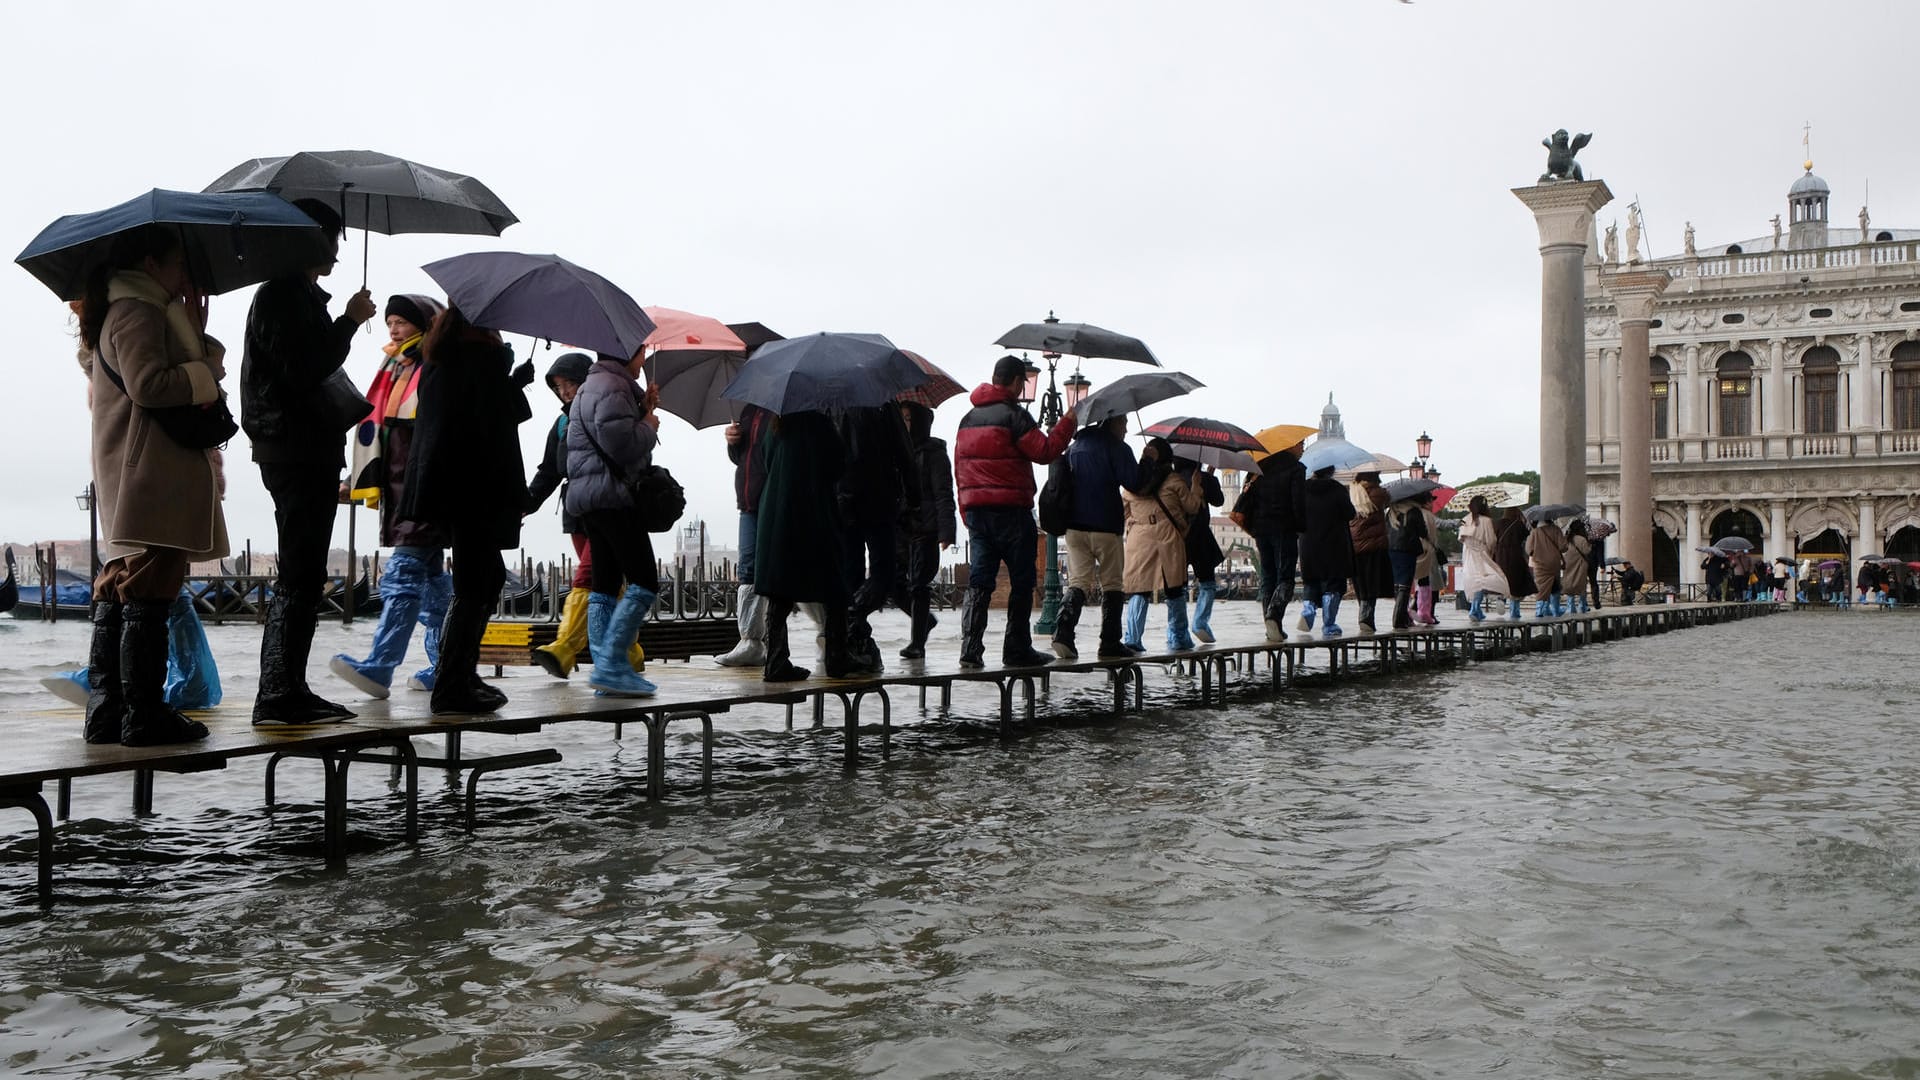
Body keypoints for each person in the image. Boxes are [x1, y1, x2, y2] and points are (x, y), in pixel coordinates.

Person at [76, 224, 229, 746]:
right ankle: (143, 714)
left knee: (122, 579)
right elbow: (151, 385)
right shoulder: (138, 312)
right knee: (152, 582)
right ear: (150, 266)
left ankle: (107, 711)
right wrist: (205, 367)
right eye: (178, 265)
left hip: (131, 466)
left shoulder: (121, 312)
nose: (184, 275)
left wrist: (192, 329)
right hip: (151, 469)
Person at [242, 198, 376, 725]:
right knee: (301, 570)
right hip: (294, 446)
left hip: (298, 444)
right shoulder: (282, 296)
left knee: (304, 567)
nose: (339, 256)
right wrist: (346, 320)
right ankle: (278, 692)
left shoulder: (292, 296)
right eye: (333, 242)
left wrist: (337, 318)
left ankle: (285, 687)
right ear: (310, 241)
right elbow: (305, 367)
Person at [402, 307, 532, 713]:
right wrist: (507, 376)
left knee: (481, 578)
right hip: (474, 485)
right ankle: (452, 683)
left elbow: (478, 411)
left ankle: (457, 676)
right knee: (480, 580)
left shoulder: (443, 359)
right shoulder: (477, 358)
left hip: (454, 486)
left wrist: (511, 380)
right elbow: (491, 420)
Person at [328, 293, 452, 701]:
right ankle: (446, 666)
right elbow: (380, 430)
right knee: (435, 588)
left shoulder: (434, 367)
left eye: (401, 322)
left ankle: (380, 667)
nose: (394, 330)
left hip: (425, 489)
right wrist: (356, 476)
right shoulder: (395, 367)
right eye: (389, 323)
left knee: (401, 577)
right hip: (401, 492)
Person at [523, 352, 643, 679]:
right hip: (577, 514)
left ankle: (564, 647)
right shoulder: (561, 424)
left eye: (570, 383)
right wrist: (526, 503)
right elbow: (548, 471)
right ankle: (630, 653)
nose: (564, 392)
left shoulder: (607, 408)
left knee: (588, 577)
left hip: (609, 506)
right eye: (558, 387)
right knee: (608, 583)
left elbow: (628, 450)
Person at [951, 355, 1075, 668]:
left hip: (977, 512)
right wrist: (1069, 421)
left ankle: (970, 650)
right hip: (1011, 511)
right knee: (1022, 580)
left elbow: (960, 471)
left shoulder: (967, 420)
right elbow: (1045, 451)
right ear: (1019, 383)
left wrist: (966, 511)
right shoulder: (1014, 416)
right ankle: (1016, 649)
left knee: (980, 580)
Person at [563, 350, 660, 698]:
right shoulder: (614, 385)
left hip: (588, 497)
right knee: (645, 580)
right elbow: (621, 443)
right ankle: (612, 665)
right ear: (626, 352)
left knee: (604, 585)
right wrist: (648, 426)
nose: (644, 358)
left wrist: (643, 407)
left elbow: (606, 431)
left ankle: (605, 668)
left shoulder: (593, 385)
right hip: (613, 496)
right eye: (641, 351)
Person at [755, 411, 852, 680]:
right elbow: (837, 467)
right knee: (835, 587)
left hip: (775, 513)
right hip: (812, 511)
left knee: (779, 592)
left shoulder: (773, 425)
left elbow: (765, 462)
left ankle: (775, 660)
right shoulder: (820, 423)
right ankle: (837, 657)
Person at [836, 404, 916, 675]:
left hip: (842, 501)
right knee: (884, 572)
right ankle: (854, 620)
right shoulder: (883, 404)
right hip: (878, 498)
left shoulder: (829, 404)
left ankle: (852, 637)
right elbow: (904, 452)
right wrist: (914, 498)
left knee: (852, 572)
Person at [1054, 415, 1139, 659]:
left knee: (1078, 583)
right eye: (1123, 423)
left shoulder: (1073, 448)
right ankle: (1110, 643)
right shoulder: (1117, 448)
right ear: (1111, 423)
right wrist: (1148, 463)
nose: (1126, 428)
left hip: (1074, 527)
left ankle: (1063, 634)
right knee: (1112, 584)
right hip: (1105, 526)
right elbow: (1134, 482)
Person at [1120, 438, 1205, 651]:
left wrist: (1135, 523)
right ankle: (1178, 638)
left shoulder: (1133, 482)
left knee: (1140, 589)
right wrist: (1195, 486)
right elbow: (1193, 507)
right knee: (1174, 588)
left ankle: (1133, 638)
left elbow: (1124, 511)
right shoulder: (1174, 480)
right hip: (1168, 536)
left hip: (1139, 539)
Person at [893, 402, 956, 660]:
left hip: (926, 528)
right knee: (892, 583)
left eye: (909, 418)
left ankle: (917, 643)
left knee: (919, 585)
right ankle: (925, 622)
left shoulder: (934, 453)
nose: (905, 423)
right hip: (900, 526)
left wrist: (946, 532)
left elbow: (943, 494)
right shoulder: (896, 451)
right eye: (902, 418)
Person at [715, 403, 774, 667]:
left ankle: (823, 634)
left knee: (779, 570)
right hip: (748, 501)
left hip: (773, 499)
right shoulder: (749, 411)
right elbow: (744, 457)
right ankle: (750, 641)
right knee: (748, 569)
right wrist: (733, 441)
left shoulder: (781, 410)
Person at [1233, 441, 1307, 640]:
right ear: (1289, 446)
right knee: (1285, 578)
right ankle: (1274, 615)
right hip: (1284, 529)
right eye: (1300, 445)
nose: (1303, 448)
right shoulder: (1296, 469)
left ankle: (1271, 625)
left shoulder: (1259, 468)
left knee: (1268, 578)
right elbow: (1298, 502)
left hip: (1260, 531)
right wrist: (1302, 526)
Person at [1297, 464, 1356, 638]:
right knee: (1333, 583)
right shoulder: (1337, 489)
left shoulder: (1303, 489)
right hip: (1334, 543)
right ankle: (1329, 624)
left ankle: (1308, 610)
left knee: (1311, 581)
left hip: (1308, 543)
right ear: (1331, 471)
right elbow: (1350, 513)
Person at [1172, 455, 1226, 642]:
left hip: (1177, 536)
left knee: (1177, 586)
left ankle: (1177, 634)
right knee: (1208, 582)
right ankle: (1200, 622)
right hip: (1201, 535)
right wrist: (1209, 477)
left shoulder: (1171, 478)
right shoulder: (1204, 478)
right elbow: (1219, 501)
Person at [1346, 471, 1392, 634]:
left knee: (1359, 583)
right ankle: (1367, 617)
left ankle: (1362, 613)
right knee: (1372, 583)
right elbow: (1387, 497)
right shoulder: (1377, 493)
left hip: (1354, 545)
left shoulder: (1350, 493)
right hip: (1373, 545)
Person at [1455, 495, 1502, 622]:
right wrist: (1490, 550)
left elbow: (1461, 538)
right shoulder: (1486, 521)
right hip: (1482, 553)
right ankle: (1475, 608)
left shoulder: (1465, 519)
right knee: (1483, 580)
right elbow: (1491, 540)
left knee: (1474, 580)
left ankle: (1476, 609)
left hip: (1468, 553)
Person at [1384, 494, 1427, 630]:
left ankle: (1403, 617)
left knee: (1397, 584)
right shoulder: (1413, 511)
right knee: (1405, 584)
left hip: (1390, 549)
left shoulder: (1391, 511)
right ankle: (1398, 619)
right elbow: (1423, 532)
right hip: (1407, 549)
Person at [1494, 508, 1534, 620]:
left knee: (1503, 579)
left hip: (1500, 556)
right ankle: (1514, 611)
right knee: (1516, 583)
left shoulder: (1497, 523)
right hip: (1515, 556)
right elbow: (1527, 534)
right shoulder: (1518, 524)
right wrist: (1523, 520)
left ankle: (1501, 599)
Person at [1526, 515, 1568, 617]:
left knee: (1541, 586)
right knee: (1555, 586)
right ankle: (1555, 610)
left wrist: (1537, 553)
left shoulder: (1535, 532)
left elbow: (1528, 550)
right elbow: (1563, 547)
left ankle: (1540, 609)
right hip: (1554, 563)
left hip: (1540, 564)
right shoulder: (1556, 530)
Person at [1413, 492, 1444, 626]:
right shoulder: (1427, 515)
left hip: (1419, 552)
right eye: (1431, 501)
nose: (1432, 504)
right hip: (1428, 553)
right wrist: (1457, 523)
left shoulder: (1414, 514)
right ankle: (1426, 612)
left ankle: (1418, 610)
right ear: (1426, 502)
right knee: (1431, 584)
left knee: (1422, 583)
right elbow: (1441, 524)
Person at [1561, 518, 1592, 614]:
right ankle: (1582, 605)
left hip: (1568, 563)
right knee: (1581, 584)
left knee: (1570, 583)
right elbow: (1587, 551)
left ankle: (1571, 606)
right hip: (1580, 564)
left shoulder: (1568, 538)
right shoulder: (1582, 539)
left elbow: (1562, 549)